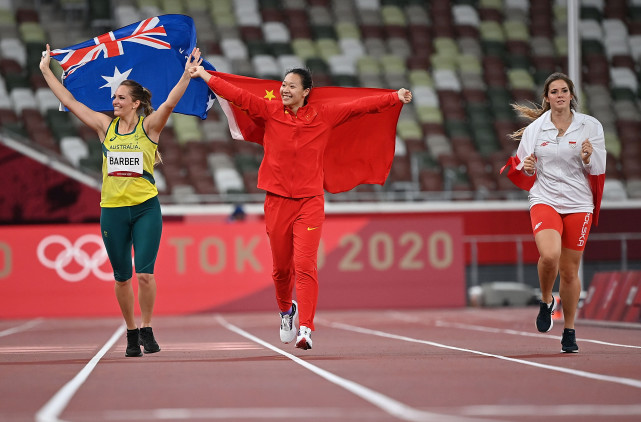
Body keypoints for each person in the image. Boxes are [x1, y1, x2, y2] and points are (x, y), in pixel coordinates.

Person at [190, 65, 412, 350]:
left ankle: (306, 328)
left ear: (306, 92)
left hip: (310, 201)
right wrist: (205, 75)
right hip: (277, 201)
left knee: (305, 265)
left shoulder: (324, 116)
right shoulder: (270, 111)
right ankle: (287, 312)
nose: (284, 89)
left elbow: (359, 107)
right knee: (281, 270)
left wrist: (394, 97)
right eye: (283, 84)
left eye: (292, 86)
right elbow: (238, 95)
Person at [40, 44, 203, 357]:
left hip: (145, 209)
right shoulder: (105, 127)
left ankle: (147, 327)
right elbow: (69, 100)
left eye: (120, 97)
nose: (114, 101)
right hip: (112, 211)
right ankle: (130, 332)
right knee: (122, 277)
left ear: (136, 103)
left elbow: (169, 103)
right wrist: (47, 70)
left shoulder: (149, 127)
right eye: (113, 97)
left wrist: (185, 75)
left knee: (145, 273)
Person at [504, 72, 606, 353]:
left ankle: (570, 331)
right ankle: (547, 300)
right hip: (544, 198)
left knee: (570, 270)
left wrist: (588, 157)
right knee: (550, 255)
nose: (559, 95)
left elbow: (598, 168)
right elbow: (523, 164)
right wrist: (526, 167)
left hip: (578, 203)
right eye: (554, 92)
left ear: (572, 95)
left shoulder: (590, 126)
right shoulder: (537, 129)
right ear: (546, 98)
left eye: (564, 91)